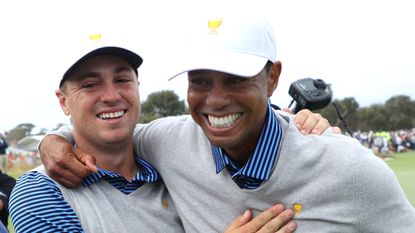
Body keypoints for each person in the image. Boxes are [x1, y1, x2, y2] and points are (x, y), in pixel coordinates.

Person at [41, 15, 415, 232]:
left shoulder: (350, 169)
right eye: (200, 81)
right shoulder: (169, 141)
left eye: (235, 79)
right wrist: (54, 141)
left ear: (272, 79)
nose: (215, 100)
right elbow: (108, 131)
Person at [8, 41, 306, 233]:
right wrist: (53, 140)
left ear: (138, 87)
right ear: (63, 101)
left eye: (123, 79)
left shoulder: (169, 161)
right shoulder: (42, 192)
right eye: (89, 85)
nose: (111, 96)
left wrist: (299, 125)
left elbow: (245, 119)